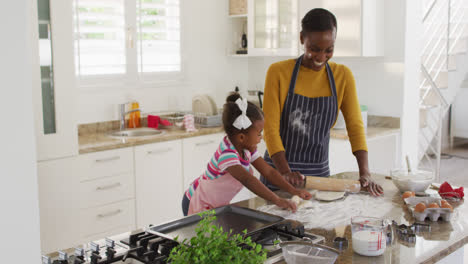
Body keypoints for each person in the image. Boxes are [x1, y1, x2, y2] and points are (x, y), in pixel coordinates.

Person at [260, 8, 384, 196]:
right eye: (314, 49)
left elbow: (355, 126)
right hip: (279, 175)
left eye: (329, 50)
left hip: (319, 177)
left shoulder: (342, 76)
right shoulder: (278, 72)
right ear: (302, 38)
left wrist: (365, 173)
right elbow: (270, 130)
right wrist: (285, 173)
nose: (321, 57)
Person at [182, 93, 312, 216]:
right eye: (259, 133)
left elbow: (269, 172)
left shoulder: (247, 149)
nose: (261, 137)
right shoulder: (227, 154)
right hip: (197, 201)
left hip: (215, 204)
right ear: (242, 137)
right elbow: (248, 180)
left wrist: (293, 191)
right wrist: (277, 200)